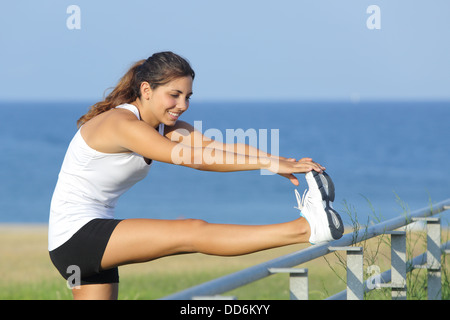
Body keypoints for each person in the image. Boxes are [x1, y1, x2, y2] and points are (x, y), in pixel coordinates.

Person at [48, 51, 343, 300]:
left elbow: (213, 147)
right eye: (174, 95)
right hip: (77, 237)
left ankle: (310, 226)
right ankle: (306, 229)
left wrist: (277, 161)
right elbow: (192, 158)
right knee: (190, 231)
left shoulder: (167, 127)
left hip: (93, 238)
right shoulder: (121, 124)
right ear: (147, 90)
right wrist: (269, 166)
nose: (183, 105)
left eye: (187, 96)